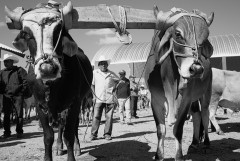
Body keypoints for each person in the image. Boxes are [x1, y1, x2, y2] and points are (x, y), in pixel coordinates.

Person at [90, 55, 119, 141]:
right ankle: (93, 134)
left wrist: (114, 90)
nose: (103, 65)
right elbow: (92, 84)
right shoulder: (95, 72)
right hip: (98, 97)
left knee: (109, 117)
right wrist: (94, 95)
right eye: (101, 64)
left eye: (105, 64)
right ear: (98, 65)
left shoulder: (111, 73)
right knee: (96, 116)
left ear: (107, 65)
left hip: (109, 98)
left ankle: (107, 134)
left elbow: (118, 81)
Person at [0, 54, 29, 139]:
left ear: (12, 62)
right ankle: (7, 132)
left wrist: (21, 92)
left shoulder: (20, 70)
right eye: (4, 61)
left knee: (19, 114)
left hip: (18, 96)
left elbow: (25, 82)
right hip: (6, 96)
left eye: (7, 61)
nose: (5, 63)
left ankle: (19, 132)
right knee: (6, 115)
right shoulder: (2, 72)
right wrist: (3, 92)